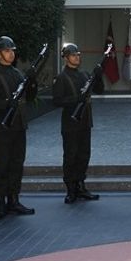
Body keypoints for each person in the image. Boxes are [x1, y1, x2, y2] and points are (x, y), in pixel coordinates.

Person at [0, 36, 36, 220]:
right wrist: (5, 103)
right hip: (2, 126)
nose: (10, 54)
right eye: (6, 50)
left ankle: (14, 200)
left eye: (12, 50)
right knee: (2, 165)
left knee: (16, 164)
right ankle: (0, 204)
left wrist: (32, 81)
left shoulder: (17, 74)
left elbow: (29, 96)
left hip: (19, 126)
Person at [53, 42, 105, 204]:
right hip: (70, 123)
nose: (77, 57)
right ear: (66, 58)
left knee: (83, 155)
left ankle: (81, 186)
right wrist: (76, 99)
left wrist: (98, 76)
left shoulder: (84, 75)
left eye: (78, 55)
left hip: (84, 122)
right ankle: (71, 189)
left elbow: (99, 90)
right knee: (71, 156)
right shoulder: (61, 78)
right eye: (74, 55)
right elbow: (57, 101)